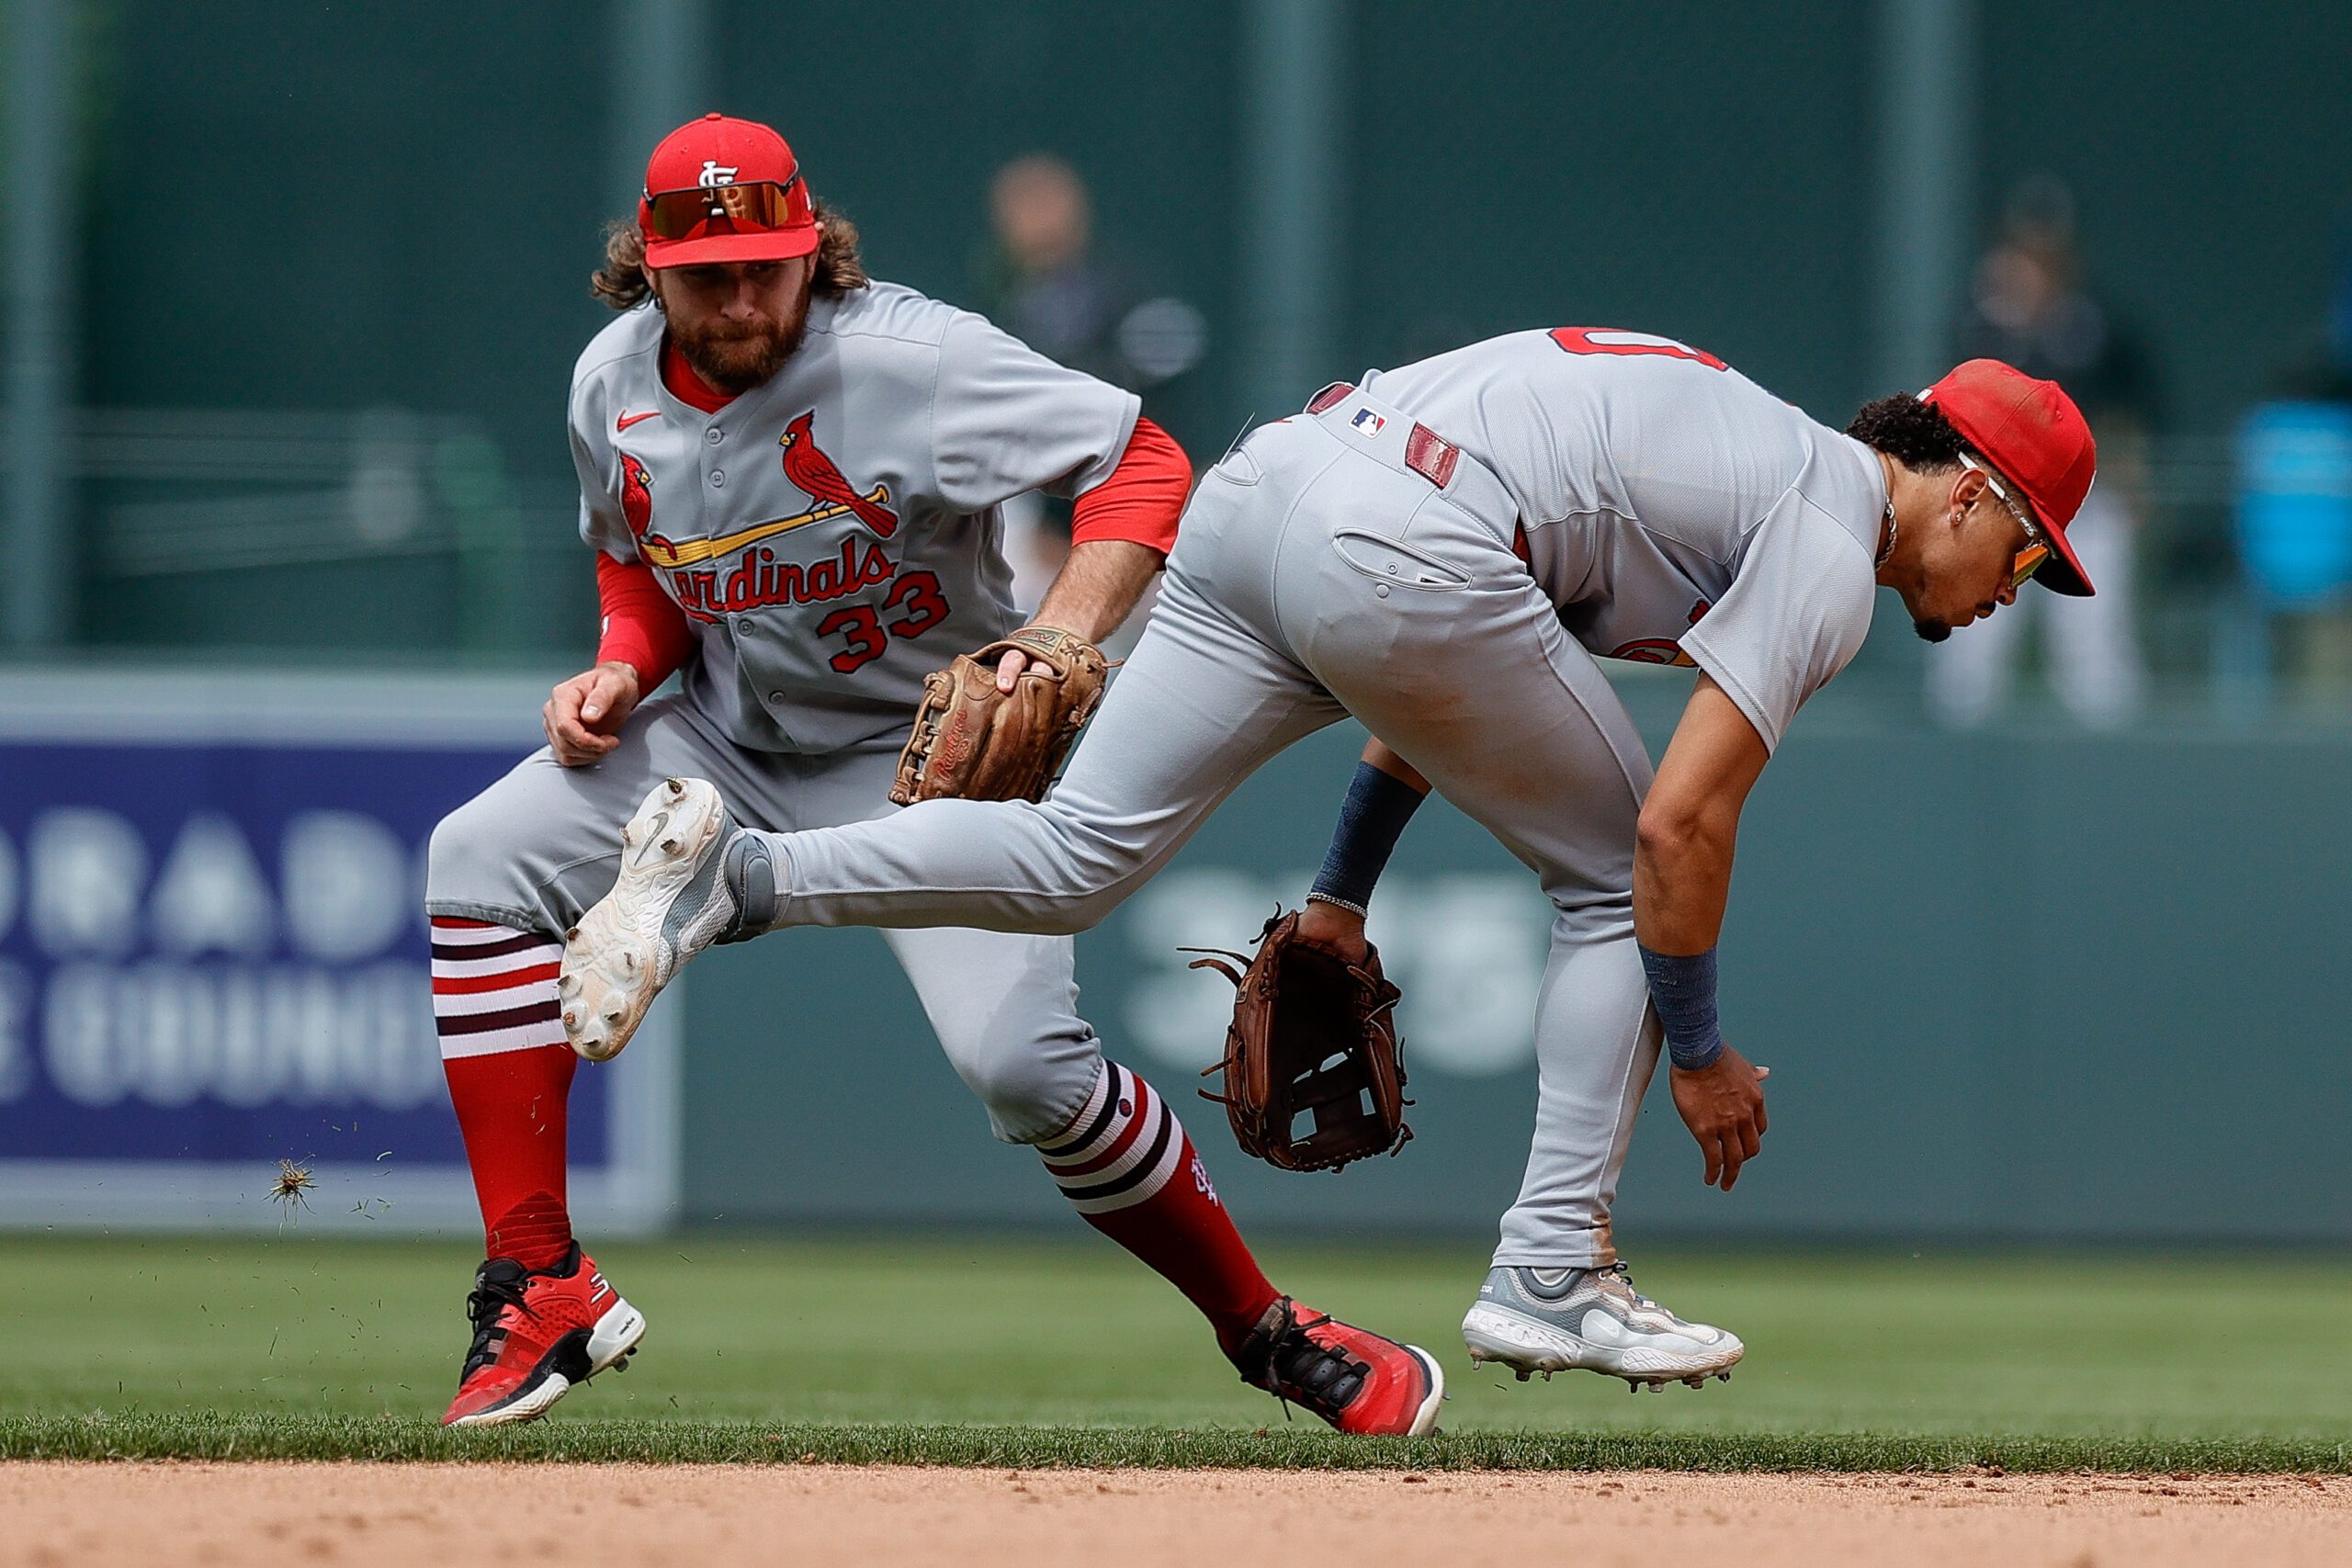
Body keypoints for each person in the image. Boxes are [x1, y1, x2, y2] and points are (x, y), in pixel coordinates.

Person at [560, 326, 2096, 1392]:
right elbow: (1674, 832)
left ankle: (734, 879)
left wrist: (1346, 893)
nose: (2016, 589)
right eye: (2029, 551)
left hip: (1278, 487)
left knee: (1074, 852)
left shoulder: (1746, 455)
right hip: (1398, 541)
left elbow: (1443, 682)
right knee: (1611, 892)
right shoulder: (1829, 538)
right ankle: (1553, 1271)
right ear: (1970, 486)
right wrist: (1697, 1049)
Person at [424, 113, 1441, 1435]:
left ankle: (1269, 1330)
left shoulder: (914, 356)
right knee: (473, 861)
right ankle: (540, 1277)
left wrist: (1059, 633)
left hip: (929, 754)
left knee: (1025, 1069)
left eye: (770, 265)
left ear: (815, 252)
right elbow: (641, 559)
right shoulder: (608, 382)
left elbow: (1144, 464)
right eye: (710, 273)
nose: (743, 297)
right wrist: (621, 664)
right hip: (723, 735)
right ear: (650, 268)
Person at [1928, 175, 2150, 729]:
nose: (2039, 263)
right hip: (1997, 494)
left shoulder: (2097, 323)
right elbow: (1957, 400)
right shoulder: (1982, 318)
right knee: (1972, 653)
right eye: (2028, 248)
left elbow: (2131, 407)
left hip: (2082, 494)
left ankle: (2112, 771)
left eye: (2050, 251)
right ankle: (1954, 772)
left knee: (2094, 651)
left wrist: (2132, 473)